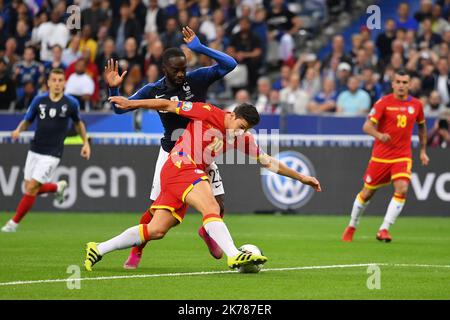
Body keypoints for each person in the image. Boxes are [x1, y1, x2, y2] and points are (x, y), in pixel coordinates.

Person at [84, 97, 321, 271]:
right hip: (181, 165)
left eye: (246, 131)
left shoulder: (240, 137)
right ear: (232, 115)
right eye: (241, 127)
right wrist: (132, 103)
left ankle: (98, 248)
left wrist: (302, 177)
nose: (241, 134)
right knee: (211, 207)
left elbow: (268, 162)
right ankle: (233, 255)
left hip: (182, 174)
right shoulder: (208, 112)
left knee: (156, 230)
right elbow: (167, 105)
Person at [106, 26, 237, 269]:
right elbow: (120, 107)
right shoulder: (154, 90)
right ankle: (137, 250)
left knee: (219, 204)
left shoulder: (195, 79)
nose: (181, 74)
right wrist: (113, 88)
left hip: (201, 152)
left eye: (183, 68)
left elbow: (230, 64)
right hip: (171, 155)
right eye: (176, 70)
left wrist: (200, 48)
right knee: (157, 213)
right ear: (163, 68)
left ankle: (208, 231)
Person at [342, 69, 429, 242]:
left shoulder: (417, 105)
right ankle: (352, 225)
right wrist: (380, 135)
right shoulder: (384, 102)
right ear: (393, 84)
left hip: (402, 156)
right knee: (367, 193)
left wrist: (423, 151)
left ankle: (384, 229)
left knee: (402, 188)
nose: (402, 85)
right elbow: (366, 126)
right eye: (398, 82)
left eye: (405, 82)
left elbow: (421, 127)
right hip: (380, 157)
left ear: (410, 84)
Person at [1, 69, 91, 233]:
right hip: (35, 149)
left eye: (60, 80)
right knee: (29, 186)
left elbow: (79, 124)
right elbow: (27, 120)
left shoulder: (71, 103)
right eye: (54, 80)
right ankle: (57, 187)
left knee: (31, 188)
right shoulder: (38, 100)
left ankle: (13, 224)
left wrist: (85, 143)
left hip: (52, 152)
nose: (57, 83)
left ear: (64, 83)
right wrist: (18, 130)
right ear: (48, 83)